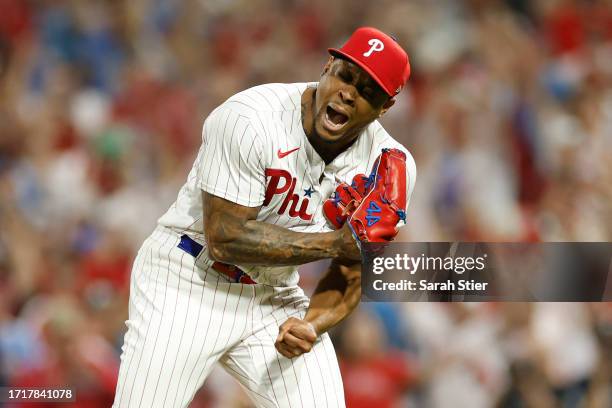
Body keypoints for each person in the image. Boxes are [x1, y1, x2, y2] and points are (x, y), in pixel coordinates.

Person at [112, 26, 416, 407]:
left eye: (369, 90)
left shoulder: (385, 167)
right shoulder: (251, 118)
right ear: (327, 66)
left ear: (385, 106)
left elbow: (350, 272)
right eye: (345, 75)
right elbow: (225, 238)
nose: (349, 93)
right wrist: (335, 243)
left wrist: (311, 323)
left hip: (274, 296)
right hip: (188, 278)